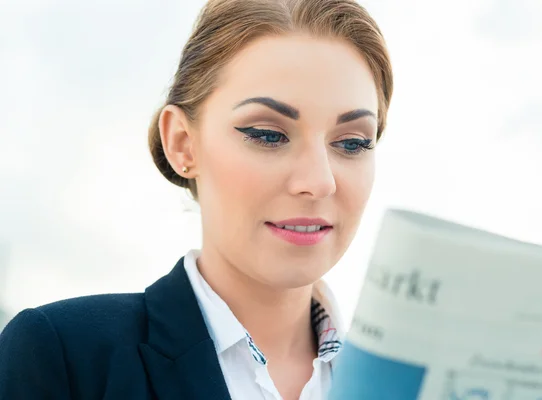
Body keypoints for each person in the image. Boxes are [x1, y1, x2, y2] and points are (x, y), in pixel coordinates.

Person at [0, 0, 393, 398]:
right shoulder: (66, 358)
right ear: (183, 144)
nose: (319, 181)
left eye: (352, 142)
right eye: (268, 135)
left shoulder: (426, 385)